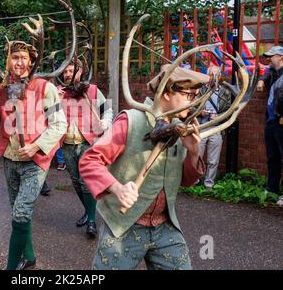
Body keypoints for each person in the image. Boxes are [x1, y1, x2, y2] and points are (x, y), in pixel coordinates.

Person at [79, 65, 208, 270]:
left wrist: (193, 153)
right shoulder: (131, 121)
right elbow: (89, 161)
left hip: (165, 226)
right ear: (167, 92)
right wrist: (118, 189)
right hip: (124, 226)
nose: (194, 102)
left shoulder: (181, 127)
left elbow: (186, 181)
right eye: (188, 95)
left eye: (195, 95)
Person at [0, 41, 67, 270]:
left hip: (35, 162)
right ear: (8, 60)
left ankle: (10, 267)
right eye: (14, 57)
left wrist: (37, 146)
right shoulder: (3, 88)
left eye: (23, 57)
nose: (19, 62)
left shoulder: (44, 87)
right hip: (9, 159)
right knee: (18, 211)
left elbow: (59, 124)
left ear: (31, 60)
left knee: (20, 213)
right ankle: (29, 257)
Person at [58, 59, 113, 238]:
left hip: (87, 143)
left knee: (85, 182)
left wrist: (106, 121)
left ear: (80, 71)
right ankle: (88, 211)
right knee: (75, 181)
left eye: (71, 70)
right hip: (66, 144)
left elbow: (108, 110)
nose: (68, 74)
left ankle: (91, 220)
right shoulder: (58, 92)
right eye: (65, 71)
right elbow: (48, 118)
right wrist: (56, 101)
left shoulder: (92, 90)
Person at [197, 66, 231, 189]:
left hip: (216, 128)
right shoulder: (200, 90)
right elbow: (191, 107)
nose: (213, 77)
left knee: (213, 160)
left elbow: (229, 111)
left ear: (220, 76)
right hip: (201, 127)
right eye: (211, 75)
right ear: (208, 76)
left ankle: (209, 184)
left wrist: (219, 116)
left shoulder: (225, 92)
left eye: (216, 75)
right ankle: (195, 181)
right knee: (197, 156)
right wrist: (201, 112)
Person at [259, 46, 283, 206]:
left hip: (281, 120)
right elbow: (266, 72)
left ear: (280, 56)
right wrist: (262, 80)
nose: (269, 59)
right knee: (272, 157)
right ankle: (272, 188)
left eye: (271, 57)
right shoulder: (272, 72)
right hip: (271, 121)